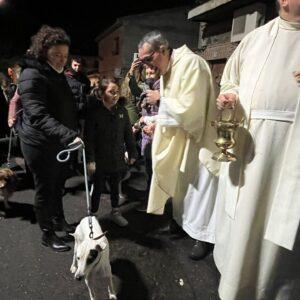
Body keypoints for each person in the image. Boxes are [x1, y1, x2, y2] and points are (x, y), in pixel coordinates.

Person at [214, 1, 300, 298]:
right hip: (250, 154)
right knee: (245, 227)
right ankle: (236, 284)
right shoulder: (254, 39)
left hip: (290, 154)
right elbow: (232, 82)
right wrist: (229, 97)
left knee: (278, 238)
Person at [138, 32, 217, 242]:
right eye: (143, 61)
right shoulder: (167, 70)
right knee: (182, 189)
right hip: (181, 138)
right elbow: (174, 110)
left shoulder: (192, 64)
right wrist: (157, 123)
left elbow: (192, 108)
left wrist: (161, 97)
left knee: (199, 191)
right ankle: (181, 224)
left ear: (162, 49)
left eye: (148, 59)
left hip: (198, 140)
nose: (148, 65)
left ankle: (203, 237)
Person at [17, 25, 80, 252]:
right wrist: (68, 134)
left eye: (64, 55)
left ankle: (59, 220)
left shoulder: (56, 72)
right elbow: (37, 114)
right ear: (43, 52)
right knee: (45, 189)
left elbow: (64, 105)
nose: (61, 60)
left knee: (59, 184)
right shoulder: (31, 74)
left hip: (58, 142)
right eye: (56, 55)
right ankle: (47, 232)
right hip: (39, 144)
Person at [85, 79, 138, 227]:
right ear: (102, 93)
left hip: (117, 156)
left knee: (116, 186)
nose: (115, 95)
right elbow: (88, 139)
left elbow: (128, 134)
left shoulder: (122, 111)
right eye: (111, 92)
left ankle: (115, 211)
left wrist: (132, 152)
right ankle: (93, 215)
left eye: (117, 92)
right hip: (99, 158)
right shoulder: (94, 113)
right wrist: (90, 160)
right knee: (98, 187)